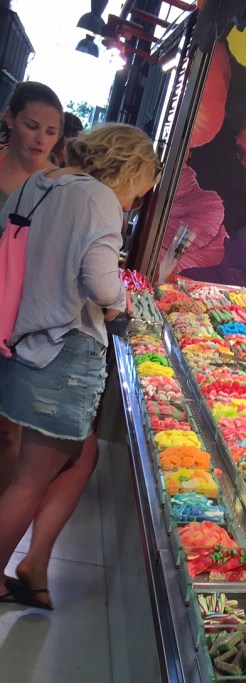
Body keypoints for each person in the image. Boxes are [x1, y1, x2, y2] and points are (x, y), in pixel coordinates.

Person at [0, 123, 161, 609]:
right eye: (141, 189)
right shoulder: (99, 199)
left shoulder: (39, 182)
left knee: (81, 455)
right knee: (32, 478)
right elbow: (102, 284)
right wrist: (122, 306)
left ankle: (36, 565)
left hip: (21, 342)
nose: (136, 201)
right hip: (62, 350)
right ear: (129, 171)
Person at [0, 82, 63, 494]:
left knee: (9, 432)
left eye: (51, 131)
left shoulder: (61, 187)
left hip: (23, 323)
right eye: (31, 126)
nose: (41, 139)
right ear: (10, 119)